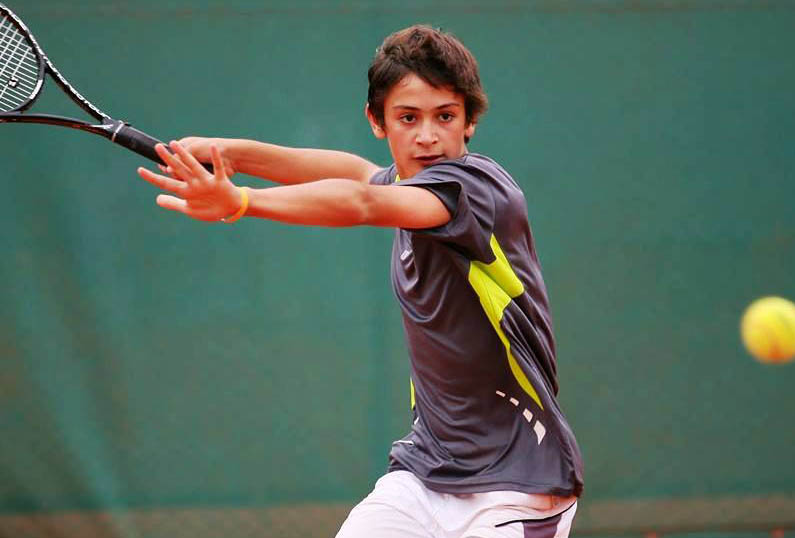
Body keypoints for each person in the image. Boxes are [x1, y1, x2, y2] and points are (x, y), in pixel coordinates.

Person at [138, 24, 584, 538]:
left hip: (518, 483)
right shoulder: (406, 182)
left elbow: (363, 201)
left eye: (445, 116)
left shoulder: (475, 190)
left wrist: (240, 200)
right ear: (377, 121)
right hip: (428, 472)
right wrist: (231, 154)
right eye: (408, 118)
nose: (427, 135)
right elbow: (354, 172)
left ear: (470, 123)